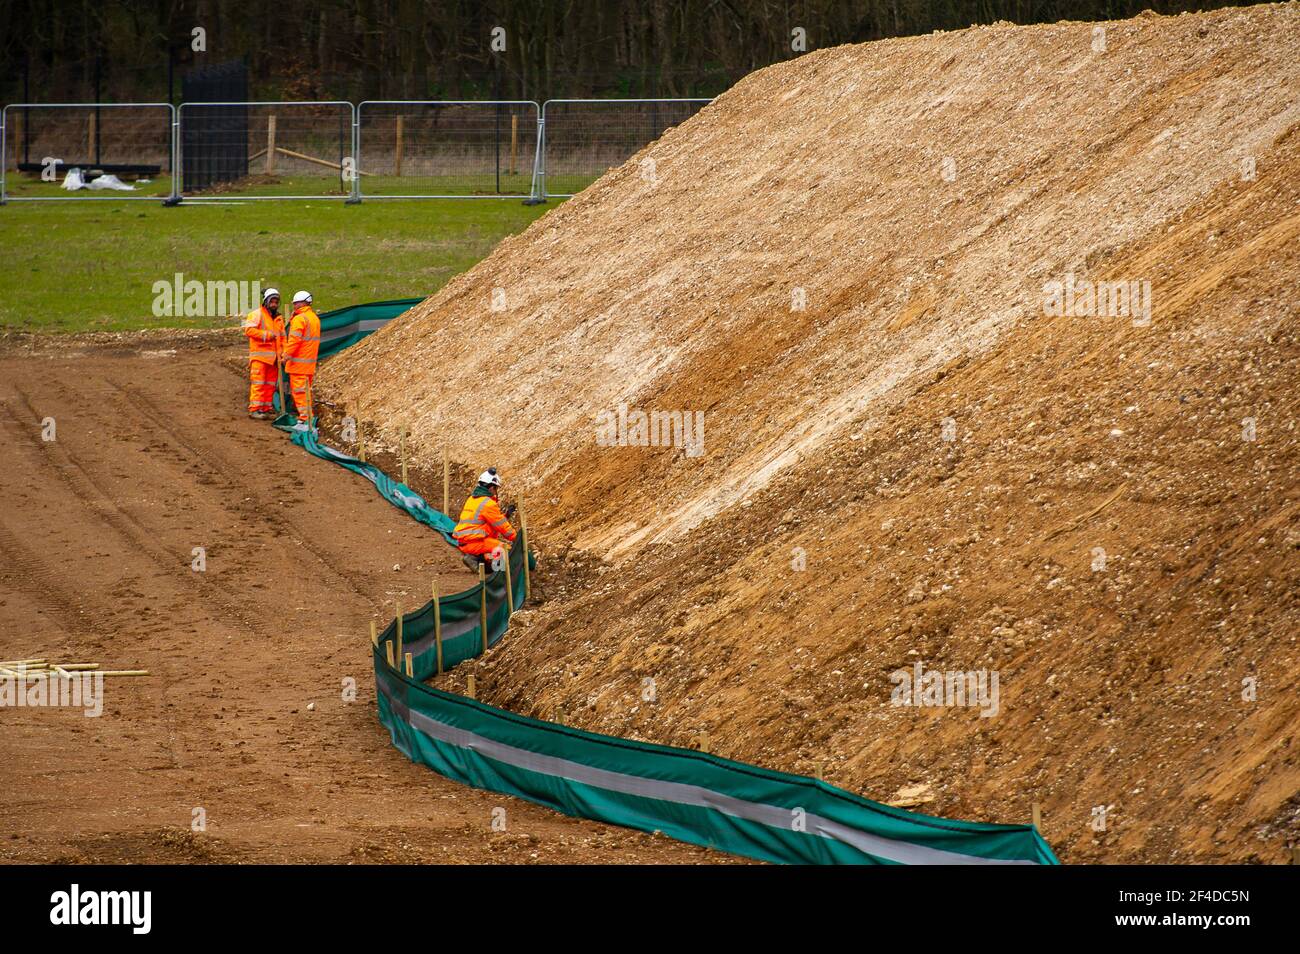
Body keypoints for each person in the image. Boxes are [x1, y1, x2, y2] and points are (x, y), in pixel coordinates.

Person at [452, 468, 517, 571]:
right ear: (491, 488)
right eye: (496, 488)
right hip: (473, 542)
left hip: (465, 541)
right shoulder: (488, 504)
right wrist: (517, 539)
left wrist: (506, 516)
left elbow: (492, 524)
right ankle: (494, 571)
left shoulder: (472, 499)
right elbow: (502, 527)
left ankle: (476, 558)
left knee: (493, 549)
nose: (496, 491)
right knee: (505, 550)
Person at [282, 290, 321, 431]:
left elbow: (294, 341)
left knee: (299, 393)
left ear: (303, 302)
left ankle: (305, 420)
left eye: (296, 303)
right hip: (309, 364)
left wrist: (285, 355)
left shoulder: (300, 319)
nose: (295, 306)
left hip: (299, 364)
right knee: (305, 392)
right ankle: (307, 418)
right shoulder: (314, 318)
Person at [242, 287, 283, 420]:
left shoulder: (278, 319)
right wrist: (266, 335)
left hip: (273, 358)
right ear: (266, 301)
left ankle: (265, 407)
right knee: (259, 384)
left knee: (270, 384)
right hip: (260, 357)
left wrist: (283, 353)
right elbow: (249, 330)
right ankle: (255, 409)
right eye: (272, 301)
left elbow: (283, 338)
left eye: (276, 302)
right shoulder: (256, 314)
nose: (274, 304)